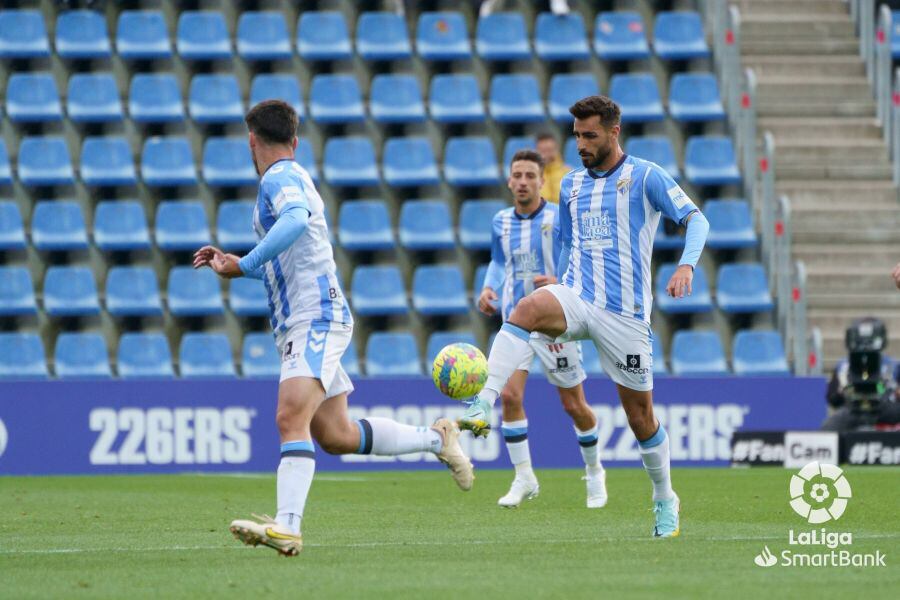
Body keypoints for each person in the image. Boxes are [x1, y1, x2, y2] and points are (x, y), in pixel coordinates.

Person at [193, 100, 474, 557]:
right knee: (335, 435)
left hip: (315, 314)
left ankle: (287, 527)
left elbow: (296, 220)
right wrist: (238, 267)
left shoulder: (279, 177)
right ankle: (436, 439)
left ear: (251, 141)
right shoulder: (291, 177)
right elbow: (290, 248)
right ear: (295, 140)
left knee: (289, 417)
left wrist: (246, 259)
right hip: (302, 318)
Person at [458, 95, 710, 538]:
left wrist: (686, 264)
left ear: (614, 132)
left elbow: (696, 220)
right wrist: (559, 281)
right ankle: (484, 399)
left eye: (589, 135)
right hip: (577, 296)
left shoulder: (645, 176)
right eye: (576, 135)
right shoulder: (571, 185)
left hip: (625, 314)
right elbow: (567, 244)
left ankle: (664, 497)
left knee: (640, 419)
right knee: (525, 309)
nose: (580, 144)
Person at [479, 149, 607, 509]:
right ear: (509, 181)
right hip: (514, 325)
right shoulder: (500, 222)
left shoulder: (558, 218)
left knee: (574, 405)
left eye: (529, 176)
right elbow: (499, 261)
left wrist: (560, 280)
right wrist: (489, 287)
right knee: (509, 397)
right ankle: (524, 477)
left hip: (553, 325)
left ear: (541, 181)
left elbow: (582, 259)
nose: (522, 182)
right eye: (516, 175)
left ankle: (595, 471)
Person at [822, 317, 900, 432]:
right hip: (853, 410)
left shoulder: (894, 366)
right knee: (827, 430)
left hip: (886, 409)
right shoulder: (843, 366)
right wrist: (843, 390)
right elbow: (833, 399)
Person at [536, 131, 572, 205]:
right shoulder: (532, 175)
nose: (546, 155)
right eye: (543, 151)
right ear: (536, 151)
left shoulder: (568, 173)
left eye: (550, 150)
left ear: (557, 150)